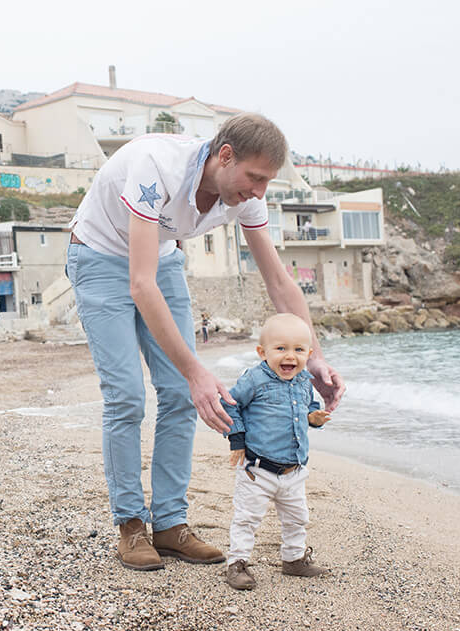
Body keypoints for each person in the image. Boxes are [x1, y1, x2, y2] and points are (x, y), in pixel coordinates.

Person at [66, 113, 344, 572]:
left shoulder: (246, 197)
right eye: (255, 178)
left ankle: (171, 524)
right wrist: (196, 371)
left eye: (267, 182)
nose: (259, 192)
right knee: (127, 396)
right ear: (225, 155)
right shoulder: (156, 166)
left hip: (162, 257)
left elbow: (278, 281)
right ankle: (131, 524)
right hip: (98, 256)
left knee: (177, 395)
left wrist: (314, 357)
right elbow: (140, 284)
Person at [222, 313, 332, 590]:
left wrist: (313, 417)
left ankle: (294, 559)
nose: (290, 357)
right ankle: (237, 563)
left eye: (298, 350)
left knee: (298, 518)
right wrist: (237, 440)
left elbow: (305, 407)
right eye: (280, 349)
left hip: (293, 469)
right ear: (262, 352)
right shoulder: (255, 379)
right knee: (247, 518)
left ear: (309, 353)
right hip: (257, 468)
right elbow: (230, 404)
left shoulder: (304, 380)